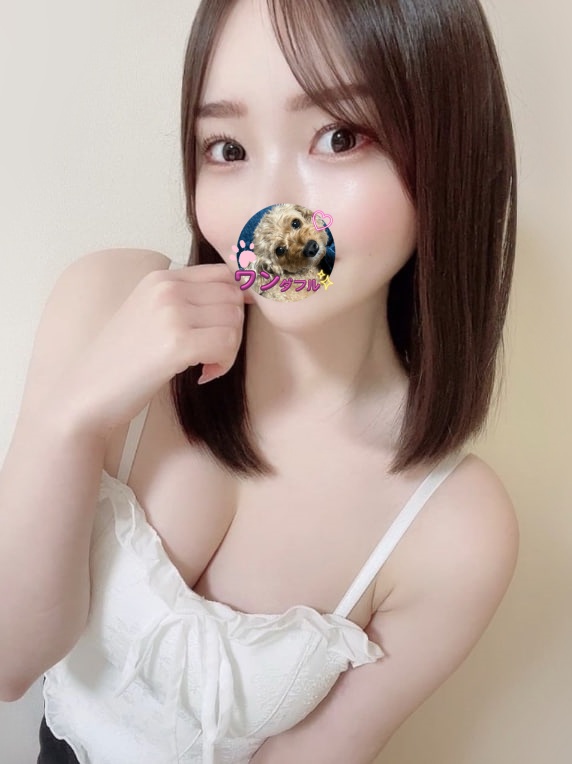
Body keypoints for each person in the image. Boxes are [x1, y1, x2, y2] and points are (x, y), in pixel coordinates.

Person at [0, 0, 520, 762]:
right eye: (228, 148)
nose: (271, 209)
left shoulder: (456, 531)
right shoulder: (103, 297)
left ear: (449, 153)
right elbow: (11, 663)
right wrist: (69, 420)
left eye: (339, 137)